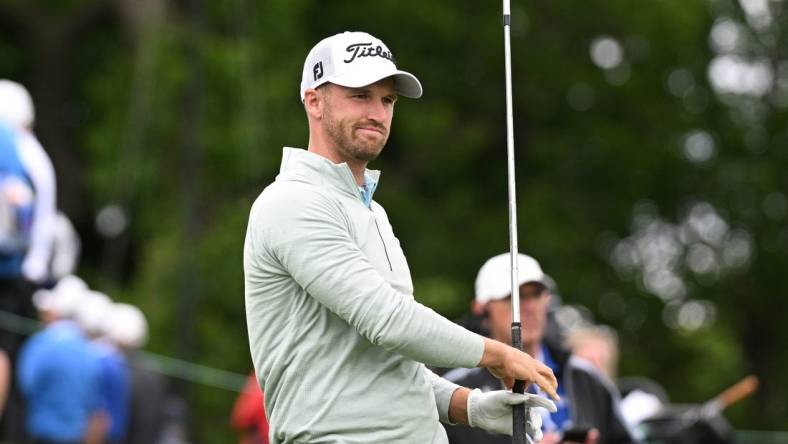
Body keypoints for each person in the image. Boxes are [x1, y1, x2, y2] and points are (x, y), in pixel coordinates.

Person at [244, 31, 559, 444]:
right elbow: (389, 322)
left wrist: (470, 405)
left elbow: (390, 362)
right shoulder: (291, 202)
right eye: (360, 95)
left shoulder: (372, 211)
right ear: (314, 101)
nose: (377, 112)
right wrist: (498, 353)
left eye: (387, 100)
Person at [443, 253, 635, 444]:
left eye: (536, 294)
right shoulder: (455, 391)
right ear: (481, 309)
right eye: (512, 296)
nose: (528, 306)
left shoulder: (587, 378)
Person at [17, 275, 105, 444]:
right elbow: (93, 403)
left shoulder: (42, 342)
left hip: (39, 431)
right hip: (73, 436)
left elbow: (26, 384)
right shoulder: (92, 352)